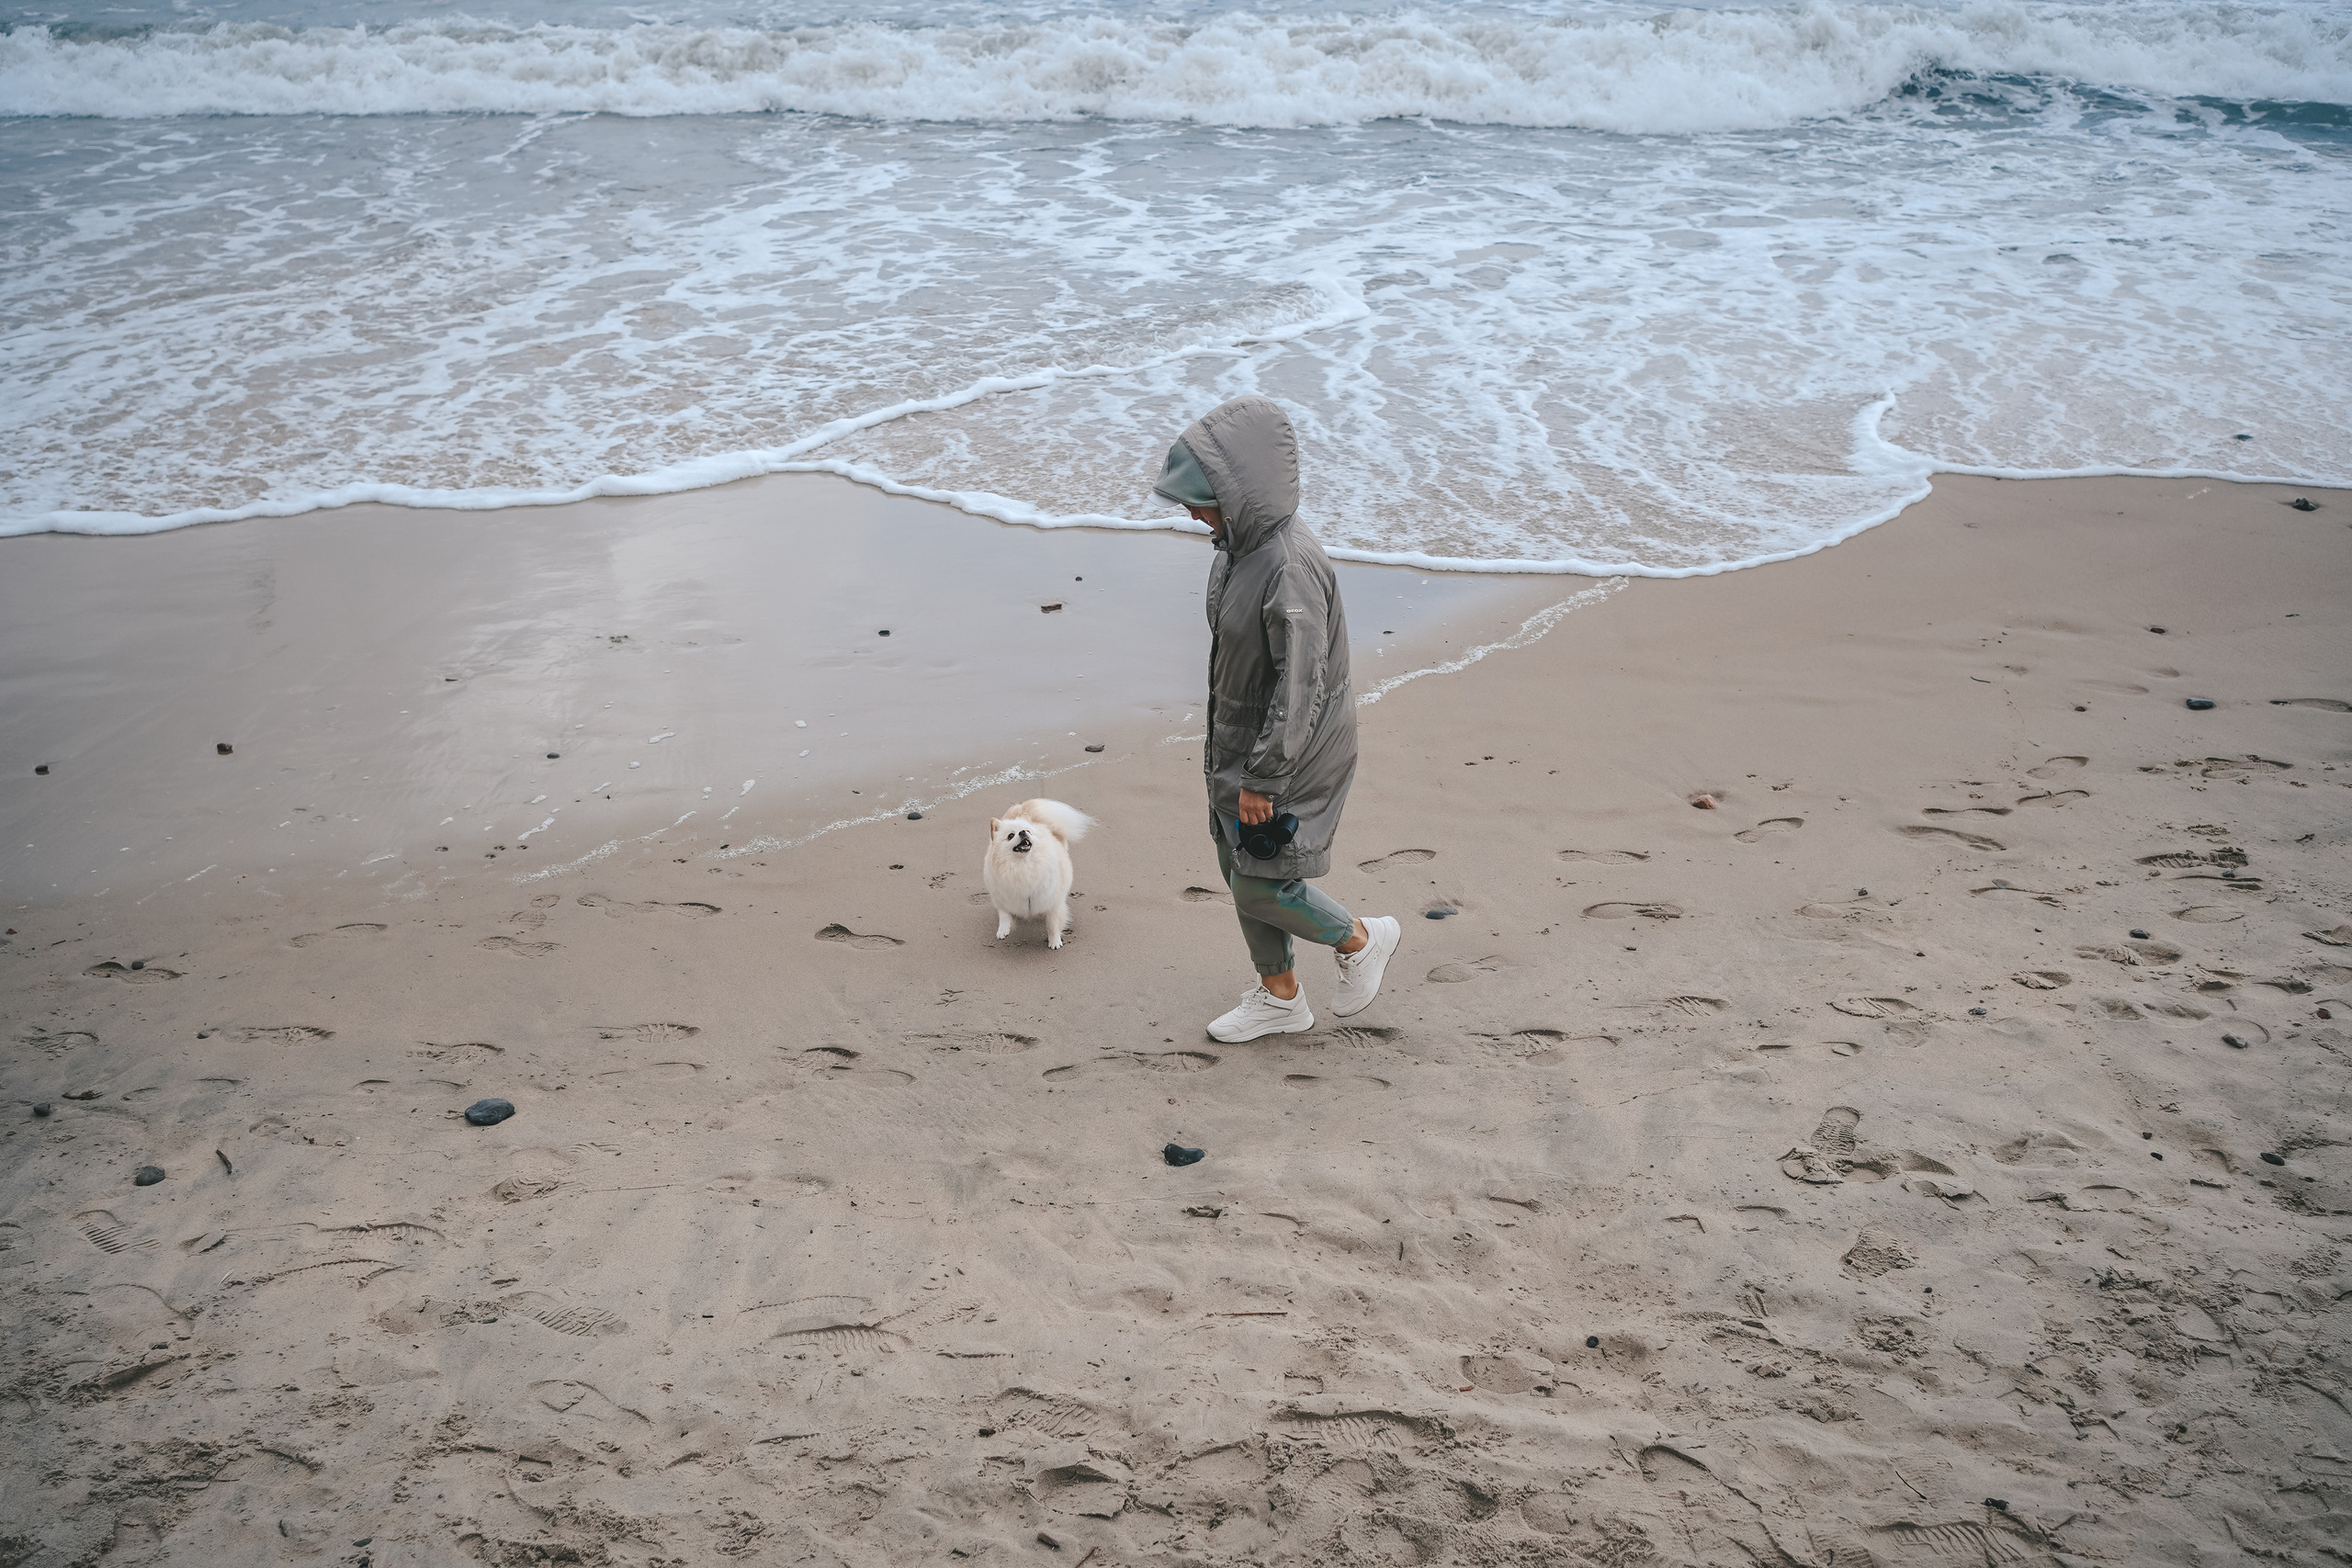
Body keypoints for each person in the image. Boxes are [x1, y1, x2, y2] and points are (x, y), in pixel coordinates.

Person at [1150, 396, 1402, 1043]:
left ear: (1236, 492)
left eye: (1199, 499)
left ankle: (1360, 939)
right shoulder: (1238, 548)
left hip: (1289, 749)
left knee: (1264, 884)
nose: (1192, 513)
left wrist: (1263, 777)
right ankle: (1280, 996)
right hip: (1240, 744)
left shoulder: (1287, 565)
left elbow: (1301, 685)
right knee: (1239, 869)